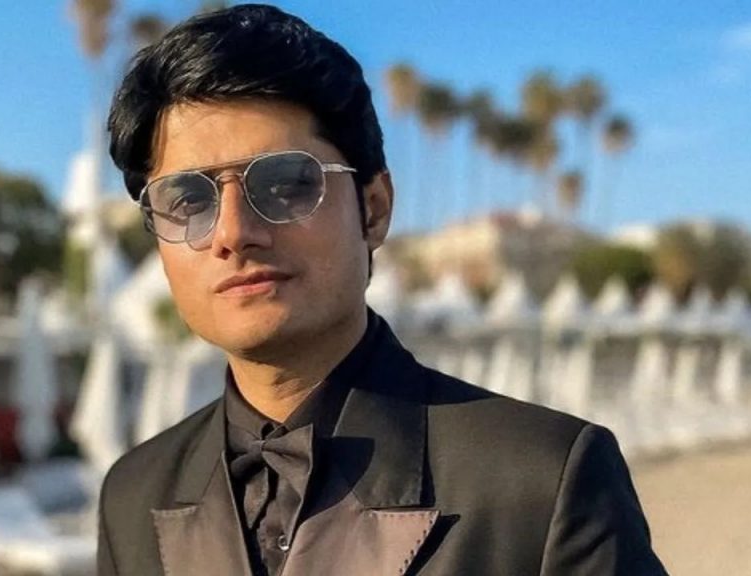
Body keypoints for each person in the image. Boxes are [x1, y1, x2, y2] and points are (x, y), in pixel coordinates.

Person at [97, 4, 667, 575]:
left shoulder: (542, 483)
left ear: (373, 209)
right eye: (188, 200)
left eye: (285, 184)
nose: (232, 233)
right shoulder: (134, 495)